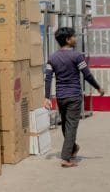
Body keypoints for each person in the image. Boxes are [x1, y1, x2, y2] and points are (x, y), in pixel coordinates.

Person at [44, 27, 105, 168]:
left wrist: (46, 97)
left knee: (66, 125)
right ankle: (66, 158)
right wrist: (98, 87)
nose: (76, 39)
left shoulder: (52, 57)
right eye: (74, 37)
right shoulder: (77, 56)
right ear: (67, 39)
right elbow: (87, 75)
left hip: (60, 96)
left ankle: (72, 148)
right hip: (74, 96)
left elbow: (47, 78)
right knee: (71, 126)